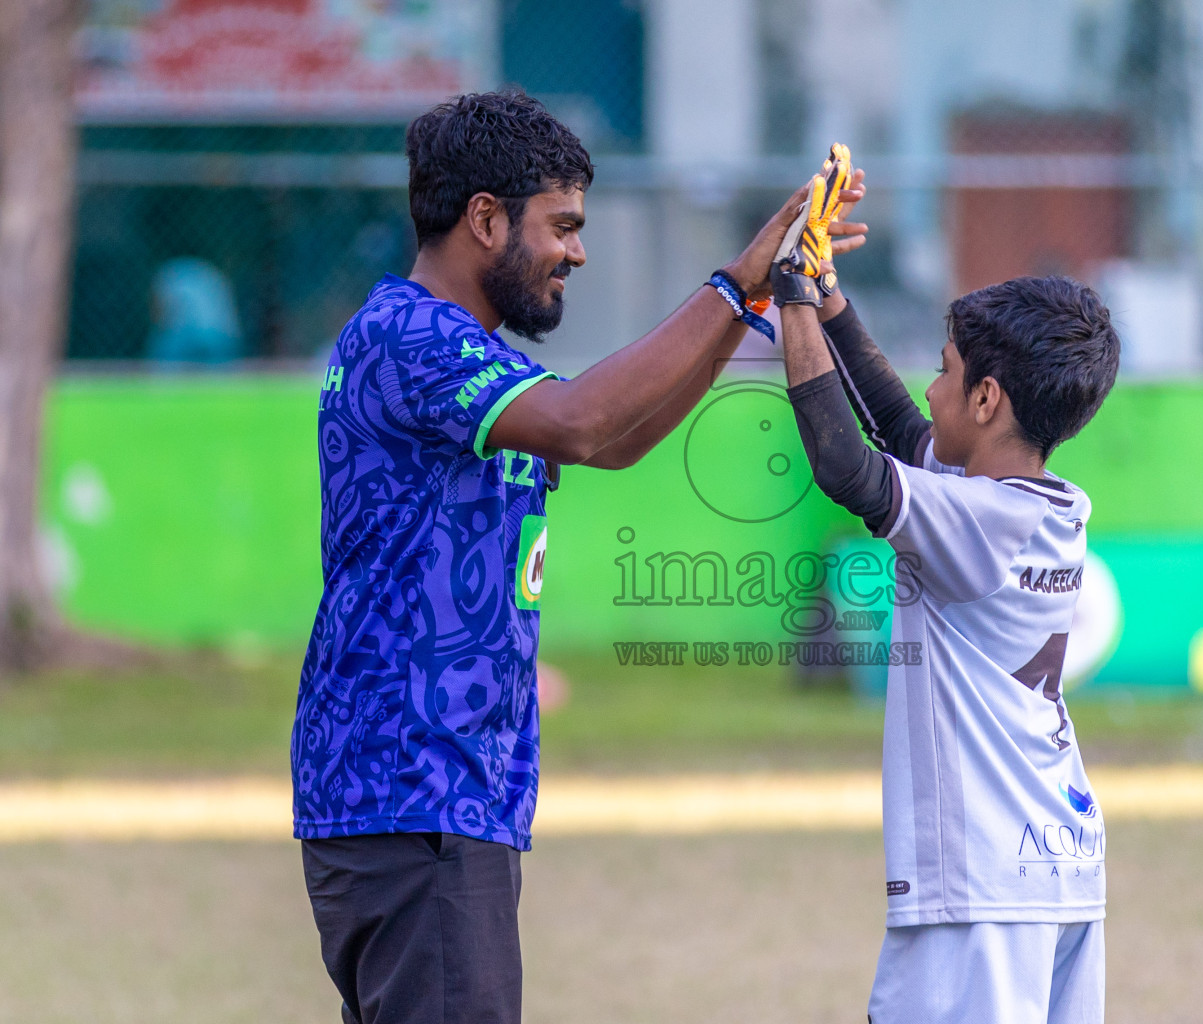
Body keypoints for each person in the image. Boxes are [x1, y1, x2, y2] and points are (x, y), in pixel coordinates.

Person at [290, 90, 865, 1024]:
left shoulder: (459, 353)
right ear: (485, 219)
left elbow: (616, 438)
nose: (577, 252)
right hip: (414, 790)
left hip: (435, 799)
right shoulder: (413, 338)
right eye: (561, 226)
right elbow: (587, 422)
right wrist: (728, 286)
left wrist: (751, 298)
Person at [772, 152, 1120, 1023]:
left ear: (989, 398)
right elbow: (898, 429)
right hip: (1058, 867)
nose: (931, 389)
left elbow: (851, 466)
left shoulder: (978, 519)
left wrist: (789, 300)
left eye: (946, 369)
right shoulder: (1036, 504)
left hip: (981, 886)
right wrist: (832, 297)